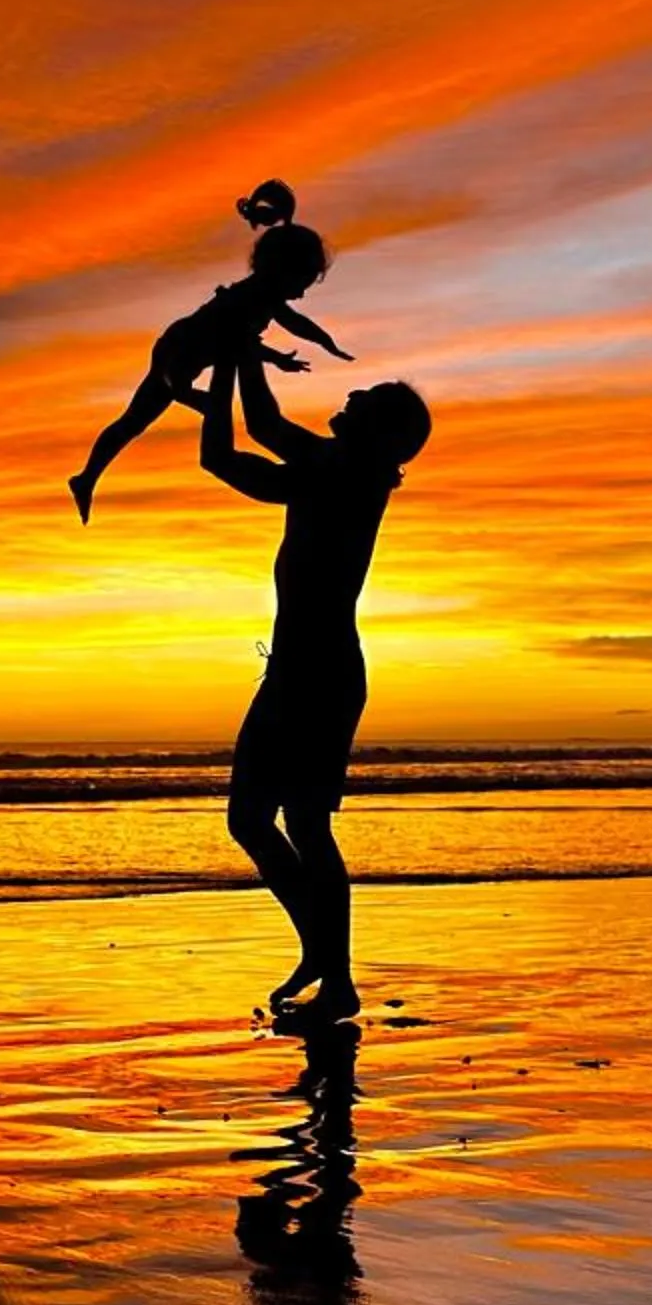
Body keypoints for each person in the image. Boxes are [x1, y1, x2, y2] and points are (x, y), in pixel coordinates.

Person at [198, 340, 431, 1022]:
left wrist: (232, 354)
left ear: (378, 432)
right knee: (273, 821)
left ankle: (332, 968)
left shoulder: (341, 474)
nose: (348, 399)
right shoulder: (334, 468)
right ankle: (328, 961)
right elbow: (247, 441)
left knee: (281, 821)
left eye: (363, 401)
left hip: (317, 674)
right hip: (305, 669)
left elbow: (242, 447)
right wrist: (233, 357)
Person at [68, 179, 349, 523]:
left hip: (192, 356)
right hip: (179, 350)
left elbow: (247, 341)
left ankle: (85, 479)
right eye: (300, 285)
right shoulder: (251, 297)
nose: (301, 295)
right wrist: (325, 344)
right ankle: (90, 475)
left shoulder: (262, 299)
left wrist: (282, 357)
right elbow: (267, 331)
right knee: (162, 404)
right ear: (281, 271)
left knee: (133, 422)